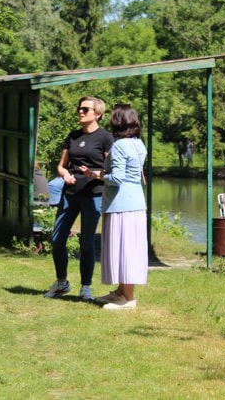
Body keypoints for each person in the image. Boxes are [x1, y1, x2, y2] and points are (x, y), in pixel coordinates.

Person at [44, 96, 114, 301]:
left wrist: (95, 175)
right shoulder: (73, 136)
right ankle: (61, 282)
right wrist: (64, 174)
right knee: (57, 239)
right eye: (79, 108)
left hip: (93, 195)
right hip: (70, 194)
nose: (80, 112)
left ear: (98, 114)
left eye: (86, 109)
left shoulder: (105, 138)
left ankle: (86, 287)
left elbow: (110, 169)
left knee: (86, 241)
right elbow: (61, 165)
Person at [81, 104, 148, 310]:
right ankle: (120, 292)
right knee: (128, 248)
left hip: (121, 205)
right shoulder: (139, 144)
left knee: (124, 250)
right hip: (136, 203)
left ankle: (127, 299)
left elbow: (117, 178)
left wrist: (97, 174)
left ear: (117, 122)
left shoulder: (119, 146)